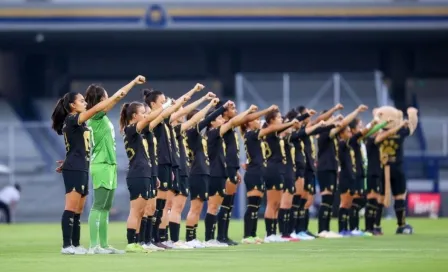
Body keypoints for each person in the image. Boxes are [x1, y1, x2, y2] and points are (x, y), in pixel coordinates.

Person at [51, 76, 142, 254]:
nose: (85, 103)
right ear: (72, 105)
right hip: (78, 167)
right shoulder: (72, 119)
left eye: (86, 100)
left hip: (81, 165)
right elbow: (103, 105)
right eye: (81, 101)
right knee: (71, 206)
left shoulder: (81, 122)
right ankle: (67, 245)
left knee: (79, 208)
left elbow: (78, 144)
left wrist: (69, 159)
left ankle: (76, 245)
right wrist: (129, 85)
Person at [84, 79, 144, 254]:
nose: (110, 99)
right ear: (101, 99)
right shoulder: (95, 115)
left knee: (106, 207)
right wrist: (133, 82)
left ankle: (103, 244)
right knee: (98, 205)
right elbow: (120, 96)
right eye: (106, 97)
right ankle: (93, 245)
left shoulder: (101, 117)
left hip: (109, 164)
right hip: (101, 164)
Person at [142, 86, 198, 249]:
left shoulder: (166, 122)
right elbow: (176, 110)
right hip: (158, 165)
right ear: (152, 104)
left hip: (168, 165)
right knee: (155, 206)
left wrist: (195, 94)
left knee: (160, 207)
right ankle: (149, 239)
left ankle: (157, 239)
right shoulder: (154, 121)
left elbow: (182, 109)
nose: (165, 103)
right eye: (162, 101)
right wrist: (192, 91)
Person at [119, 98, 171, 253]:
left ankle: (141, 242)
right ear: (134, 115)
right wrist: (166, 105)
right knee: (136, 211)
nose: (145, 115)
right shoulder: (131, 129)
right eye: (142, 113)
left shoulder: (140, 132)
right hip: (138, 174)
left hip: (145, 174)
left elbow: (152, 119)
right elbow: (151, 118)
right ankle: (131, 243)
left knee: (143, 211)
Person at [167, 92, 218, 249]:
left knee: (179, 207)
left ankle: (179, 239)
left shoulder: (183, 133)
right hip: (188, 171)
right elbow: (199, 118)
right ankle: (176, 239)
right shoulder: (183, 131)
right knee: (173, 207)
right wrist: (212, 105)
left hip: (187, 170)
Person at [204, 103, 257, 247]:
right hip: (222, 171)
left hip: (230, 169)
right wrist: (249, 110)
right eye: (232, 109)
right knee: (219, 205)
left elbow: (231, 152)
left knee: (228, 205)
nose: (235, 111)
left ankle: (223, 236)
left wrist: (235, 169)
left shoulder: (228, 128)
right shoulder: (220, 129)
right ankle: (217, 237)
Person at [316, 104, 367, 238]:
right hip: (325, 168)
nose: (334, 120)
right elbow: (343, 123)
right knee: (326, 198)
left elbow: (343, 124)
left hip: (332, 168)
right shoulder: (323, 134)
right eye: (330, 118)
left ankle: (326, 229)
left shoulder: (333, 136)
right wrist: (355, 111)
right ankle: (322, 229)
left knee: (330, 199)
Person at [184, 99, 228, 248]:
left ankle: (194, 238)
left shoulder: (199, 136)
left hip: (203, 172)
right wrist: (221, 108)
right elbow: (208, 119)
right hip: (197, 172)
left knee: (199, 207)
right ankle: (190, 239)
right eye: (199, 119)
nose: (202, 121)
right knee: (195, 207)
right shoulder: (191, 132)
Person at [285, 108, 325, 240]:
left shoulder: (300, 133)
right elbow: (310, 128)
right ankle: (292, 230)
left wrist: (327, 124)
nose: (300, 122)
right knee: (295, 202)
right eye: (298, 119)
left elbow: (313, 128)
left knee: (304, 202)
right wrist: (311, 118)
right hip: (297, 170)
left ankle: (302, 229)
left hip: (307, 169)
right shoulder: (291, 135)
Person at [240, 105, 278, 244]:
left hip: (258, 171)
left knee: (256, 205)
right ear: (249, 122)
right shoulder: (250, 134)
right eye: (256, 119)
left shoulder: (255, 136)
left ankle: (253, 234)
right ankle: (247, 235)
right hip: (254, 173)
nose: (258, 121)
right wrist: (269, 111)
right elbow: (271, 129)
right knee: (252, 205)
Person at [378, 108, 417, 234]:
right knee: (399, 196)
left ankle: (375, 225)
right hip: (397, 167)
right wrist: (412, 114)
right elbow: (412, 126)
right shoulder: (399, 132)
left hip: (381, 168)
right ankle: (401, 224)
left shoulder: (378, 132)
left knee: (379, 197)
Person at [261, 110, 299, 243]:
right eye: (278, 118)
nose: (281, 120)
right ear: (271, 120)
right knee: (272, 203)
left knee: (277, 204)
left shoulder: (276, 134)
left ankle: (273, 232)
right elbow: (278, 128)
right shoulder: (271, 131)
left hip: (279, 169)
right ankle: (269, 233)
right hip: (272, 168)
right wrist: (290, 123)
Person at [337, 117, 377, 236]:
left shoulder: (353, 143)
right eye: (348, 131)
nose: (349, 133)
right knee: (345, 203)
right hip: (346, 176)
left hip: (355, 175)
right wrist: (372, 123)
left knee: (353, 202)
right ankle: (343, 229)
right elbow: (363, 133)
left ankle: (352, 228)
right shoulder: (345, 143)